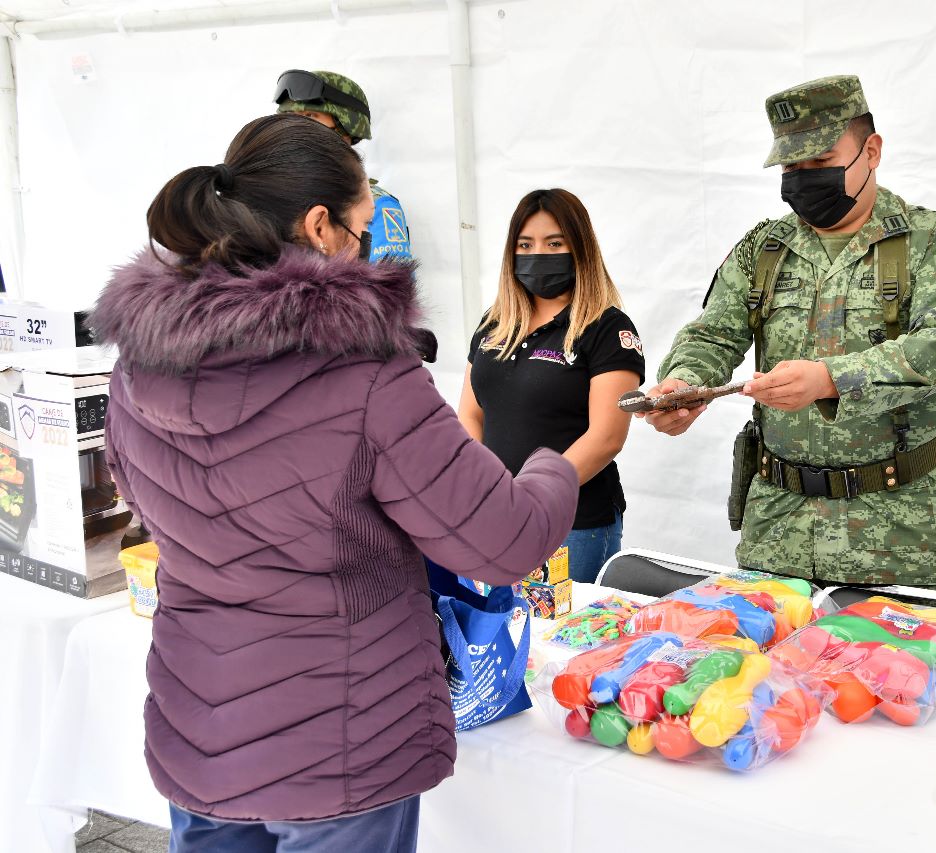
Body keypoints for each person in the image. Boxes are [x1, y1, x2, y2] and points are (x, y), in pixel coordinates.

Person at [91, 114, 577, 852]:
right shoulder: (364, 369)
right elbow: (503, 540)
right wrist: (554, 465)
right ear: (320, 226)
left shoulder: (135, 370)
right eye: (360, 227)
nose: (367, 246)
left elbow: (146, 506)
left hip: (201, 729)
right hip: (340, 747)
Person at [641, 74, 936, 592]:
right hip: (778, 519)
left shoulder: (930, 240)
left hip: (894, 525)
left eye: (820, 164)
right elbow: (714, 333)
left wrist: (831, 378)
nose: (803, 179)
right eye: (791, 167)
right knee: (767, 665)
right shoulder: (764, 248)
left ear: (871, 151)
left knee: (895, 668)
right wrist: (684, 384)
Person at [458, 189, 644, 584]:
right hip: (494, 519)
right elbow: (471, 413)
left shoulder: (607, 329)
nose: (538, 253)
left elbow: (607, 436)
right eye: (525, 244)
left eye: (554, 243)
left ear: (580, 247)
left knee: (564, 641)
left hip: (572, 526)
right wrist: (487, 491)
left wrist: (533, 497)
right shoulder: (494, 323)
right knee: (502, 636)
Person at [274, 69, 413, 263]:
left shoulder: (374, 206)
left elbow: (390, 288)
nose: (297, 127)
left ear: (346, 127)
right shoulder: (271, 192)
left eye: (310, 116)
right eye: (290, 117)